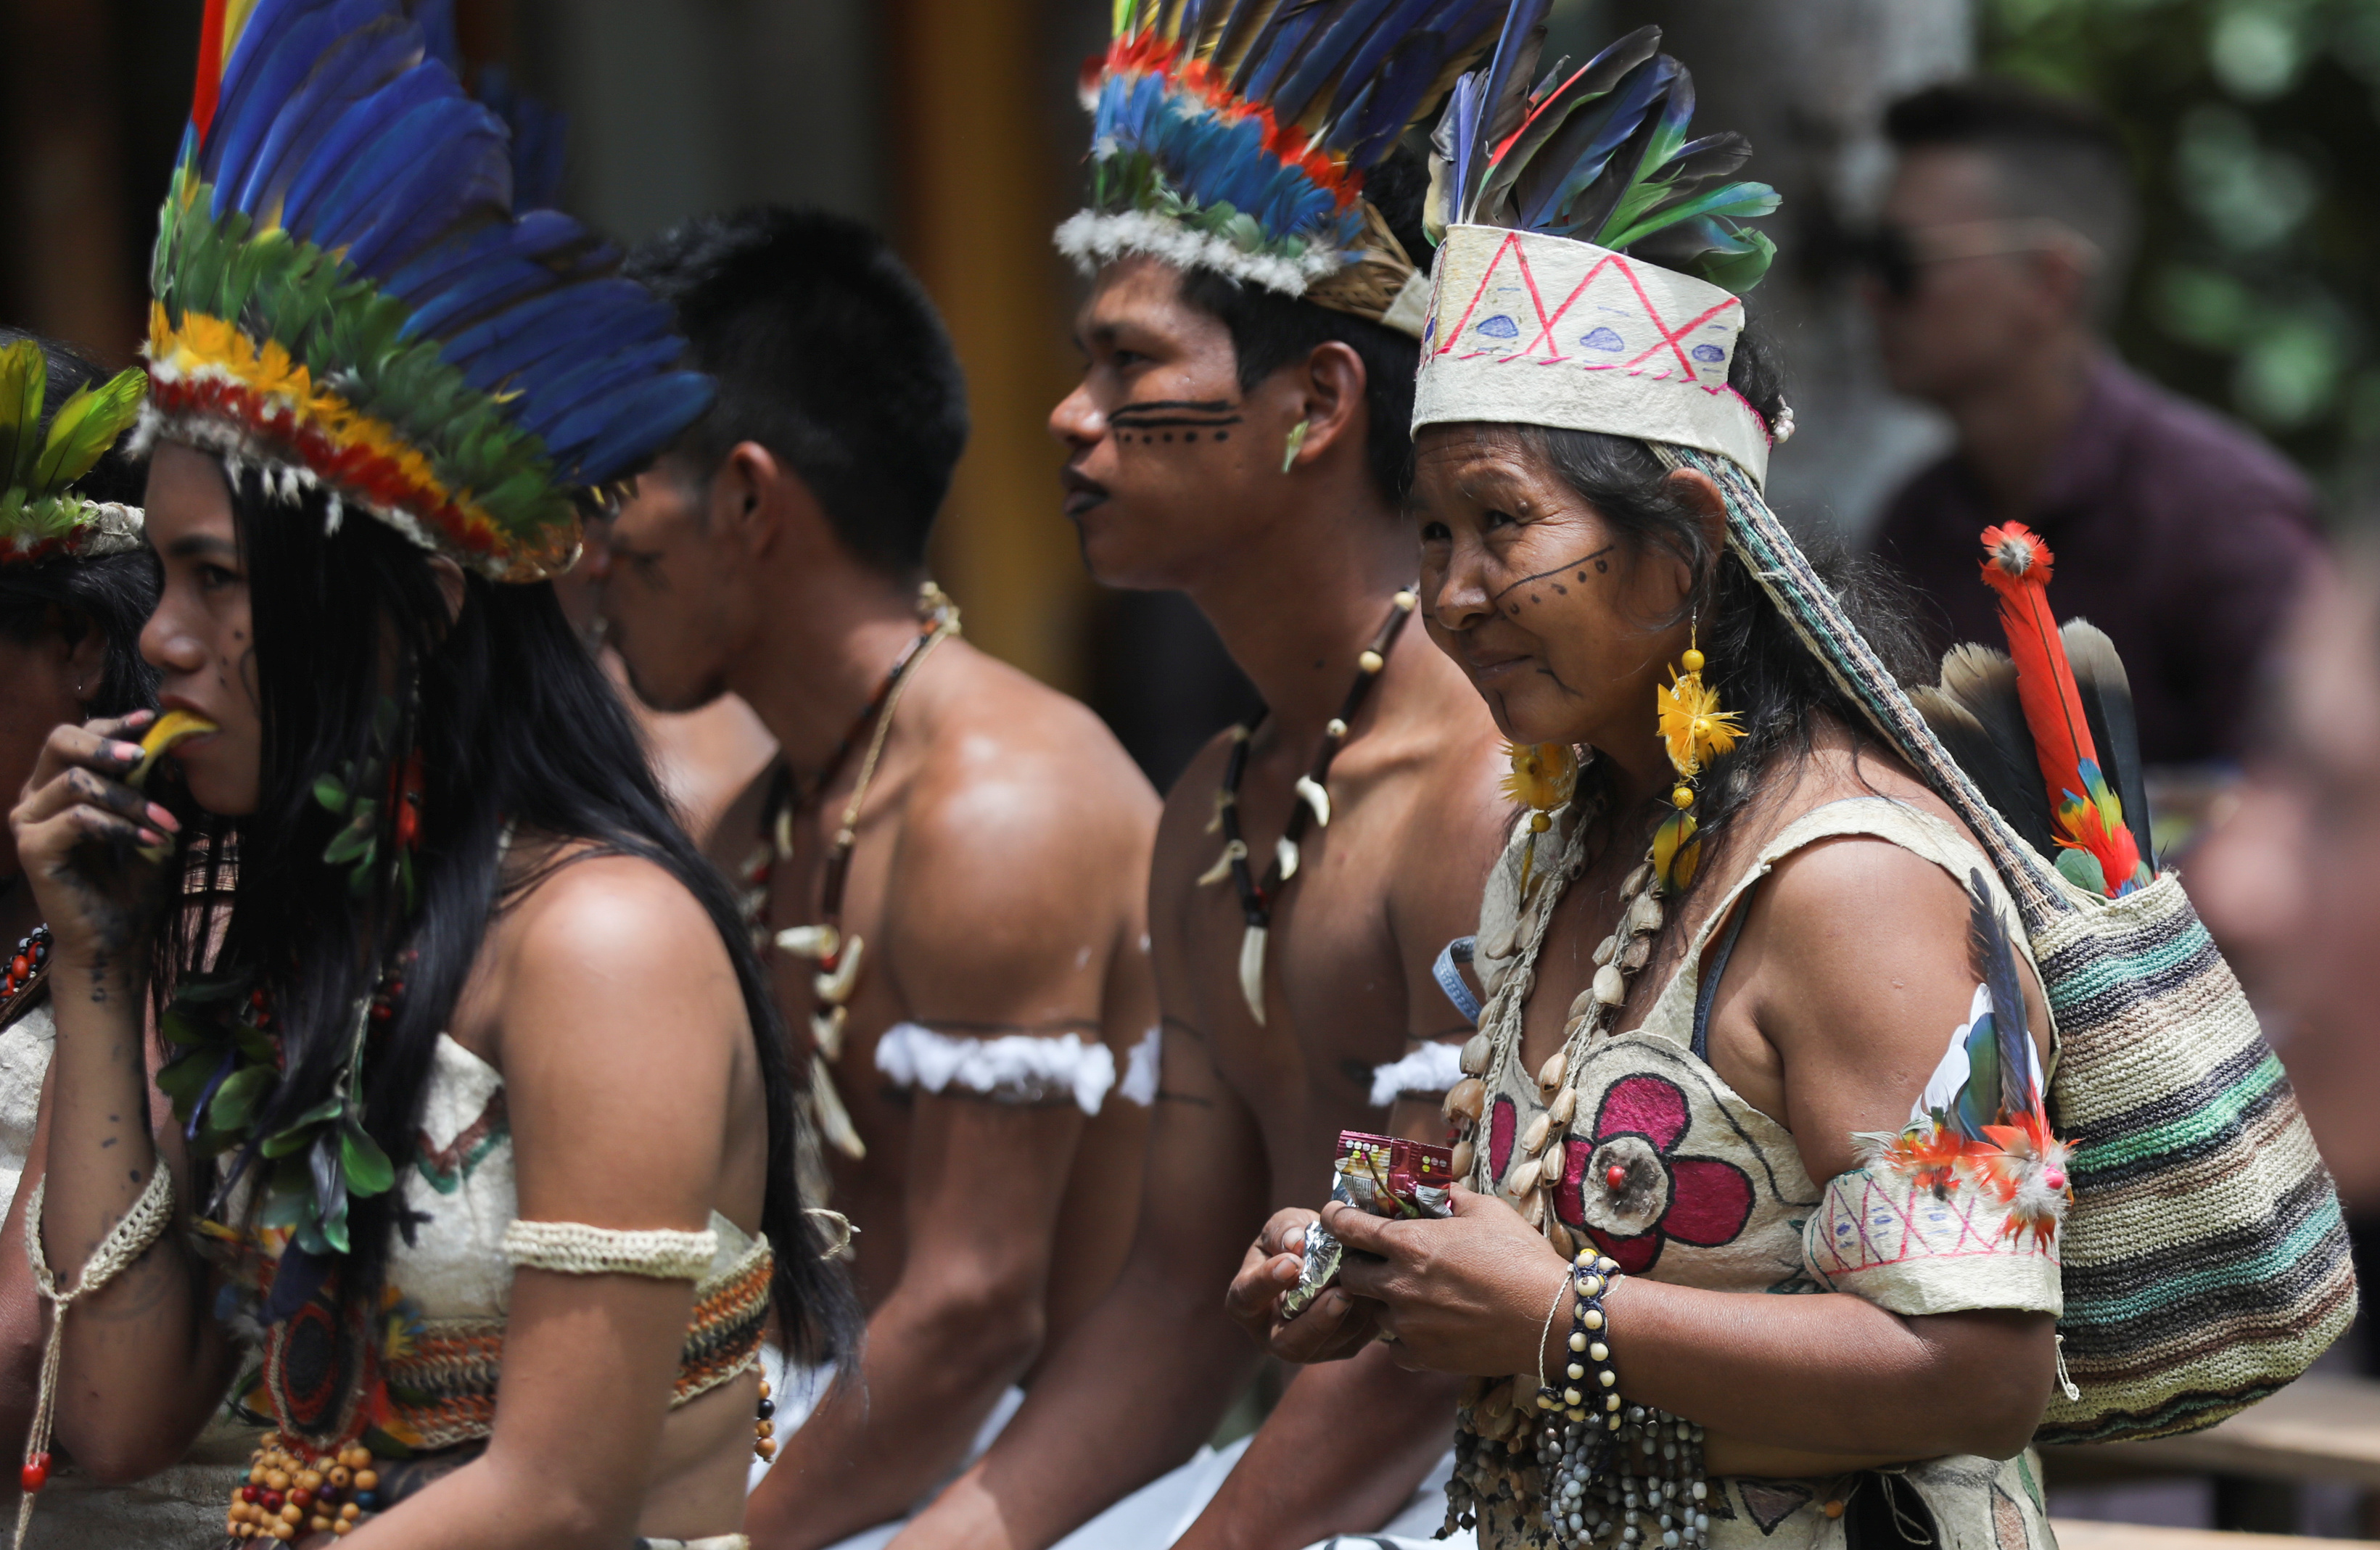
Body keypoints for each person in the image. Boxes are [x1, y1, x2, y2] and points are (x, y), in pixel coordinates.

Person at [9, 3, 852, 1546]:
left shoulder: (602, 944)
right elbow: (117, 1413)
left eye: (214, 583)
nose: (167, 647)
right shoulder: (299, 924)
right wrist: (100, 960)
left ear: (413, 604)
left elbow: (556, 1495)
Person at [1230, 22, 2079, 1550]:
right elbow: (1544, 1222)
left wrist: (1555, 1315)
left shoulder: (1850, 880)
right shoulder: (1562, 846)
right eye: (1428, 534)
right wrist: (1376, 1267)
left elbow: (1980, 1370)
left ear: (1683, 541)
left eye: (1501, 521)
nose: (1455, 593)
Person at [892, 7, 1516, 1550]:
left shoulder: (1481, 793)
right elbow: (1177, 1298)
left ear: (1312, 405)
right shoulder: (1212, 813)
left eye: (1126, 365)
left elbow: (1418, 1337)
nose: (1066, 415)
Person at [590, 205, 1163, 1550]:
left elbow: (974, 1315)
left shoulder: (995, 806)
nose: (590, 551)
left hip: (1048, 1499)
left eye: (615, 490)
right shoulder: (763, 815)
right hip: (826, 1472)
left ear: (744, 498)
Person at [0, 329, 261, 1547]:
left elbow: (27, 1368)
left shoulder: (189, 904)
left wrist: (98, 961)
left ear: (78, 646)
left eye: (220, 582)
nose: (180, 637)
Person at [1863, 77, 2320, 767]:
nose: (1868, 293)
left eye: (1901, 265)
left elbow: (2309, 804)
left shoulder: (2222, 518)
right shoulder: (1915, 523)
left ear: (2049, 282)